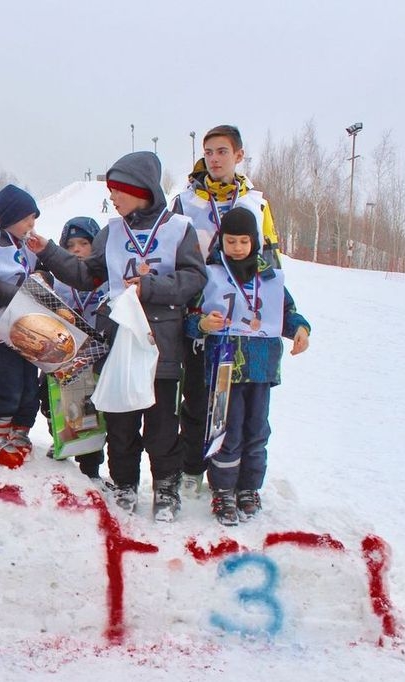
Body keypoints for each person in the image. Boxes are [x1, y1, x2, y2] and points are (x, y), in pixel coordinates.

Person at [26, 151, 207, 521]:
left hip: (160, 346)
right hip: (117, 342)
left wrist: (150, 287)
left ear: (140, 189)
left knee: (160, 425)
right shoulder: (111, 231)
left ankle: (166, 488)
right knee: (121, 422)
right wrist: (49, 251)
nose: (114, 198)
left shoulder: (178, 229)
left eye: (119, 190)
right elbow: (84, 274)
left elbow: (194, 278)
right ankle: (124, 483)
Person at [170, 124, 282, 498]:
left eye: (222, 151)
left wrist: (274, 313)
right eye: (209, 152)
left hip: (243, 323)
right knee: (198, 397)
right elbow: (171, 254)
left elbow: (271, 262)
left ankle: (235, 479)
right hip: (199, 311)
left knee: (237, 407)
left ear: (239, 155)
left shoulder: (257, 203)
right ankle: (192, 467)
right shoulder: (186, 202)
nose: (214, 159)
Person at [185, 207, 309, 525]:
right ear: (221, 241)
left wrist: (299, 328)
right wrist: (202, 324)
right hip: (225, 369)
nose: (238, 247)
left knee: (257, 431)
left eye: (243, 241)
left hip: (262, 368)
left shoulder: (269, 275)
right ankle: (224, 490)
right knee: (227, 431)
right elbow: (189, 317)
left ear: (254, 241)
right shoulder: (210, 274)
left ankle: (249, 488)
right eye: (231, 241)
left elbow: (286, 310)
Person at [39, 217, 108, 482]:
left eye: (84, 243)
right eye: (70, 245)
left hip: (96, 358)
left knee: (94, 411)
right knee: (50, 401)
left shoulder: (105, 279)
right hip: (63, 358)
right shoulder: (59, 281)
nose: (77, 250)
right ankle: (60, 438)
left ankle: (91, 466)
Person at [0, 184, 41, 469]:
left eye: (34, 219)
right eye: (27, 218)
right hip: (2, 328)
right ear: (9, 218)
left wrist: (43, 280)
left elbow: (39, 272)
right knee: (9, 382)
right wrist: (16, 293)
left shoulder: (26, 246)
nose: (31, 224)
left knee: (30, 384)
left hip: (29, 327)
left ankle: (18, 431)